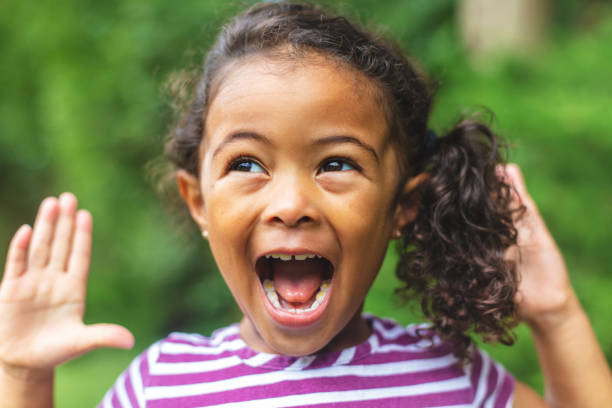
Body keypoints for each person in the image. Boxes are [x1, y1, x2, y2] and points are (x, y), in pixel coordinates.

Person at [1, 2, 610, 407]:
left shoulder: (452, 373)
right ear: (199, 200)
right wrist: (24, 378)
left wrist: (555, 315)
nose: (291, 204)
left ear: (402, 205)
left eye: (336, 163)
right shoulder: (162, 385)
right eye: (246, 164)